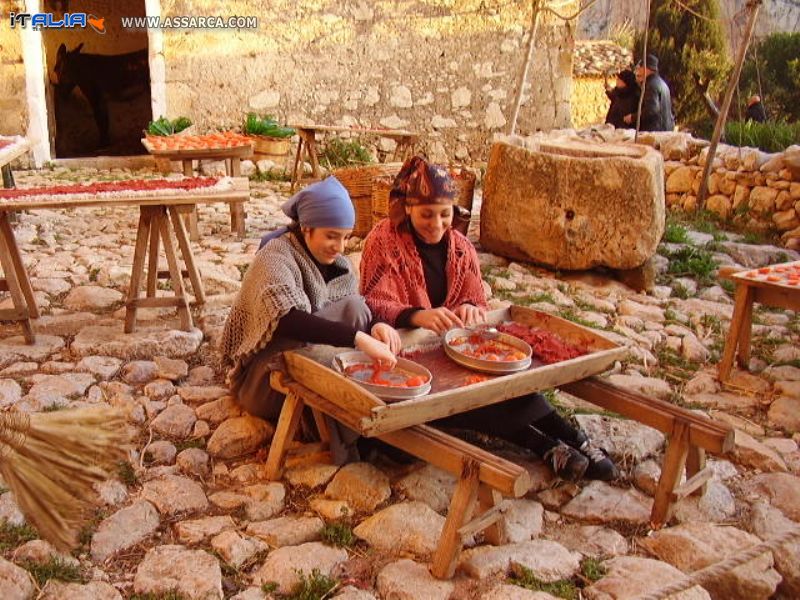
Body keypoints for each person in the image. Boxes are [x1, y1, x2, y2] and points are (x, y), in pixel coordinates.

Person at [359, 157, 618, 482]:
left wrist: (470, 307)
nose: (437, 224)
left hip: (456, 352)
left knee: (504, 386)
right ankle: (546, 444)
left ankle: (572, 442)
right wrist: (418, 316)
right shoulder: (383, 241)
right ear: (408, 208)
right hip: (409, 358)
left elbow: (475, 300)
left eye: (445, 214)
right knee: (474, 401)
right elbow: (372, 304)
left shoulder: (461, 248)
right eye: (426, 214)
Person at [220, 176, 401, 463]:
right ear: (307, 227)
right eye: (331, 236)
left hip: (300, 356)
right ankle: (356, 435)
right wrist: (358, 338)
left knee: (354, 307)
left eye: (345, 236)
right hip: (263, 380)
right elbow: (288, 320)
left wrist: (375, 325)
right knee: (327, 357)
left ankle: (362, 413)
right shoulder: (276, 256)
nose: (340, 246)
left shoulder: (338, 266)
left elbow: (354, 309)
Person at [624, 54, 675, 132]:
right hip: (666, 128)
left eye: (640, 67)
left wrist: (633, 117)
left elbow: (651, 109)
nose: (638, 70)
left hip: (656, 130)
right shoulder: (662, 83)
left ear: (646, 68)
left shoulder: (651, 85)